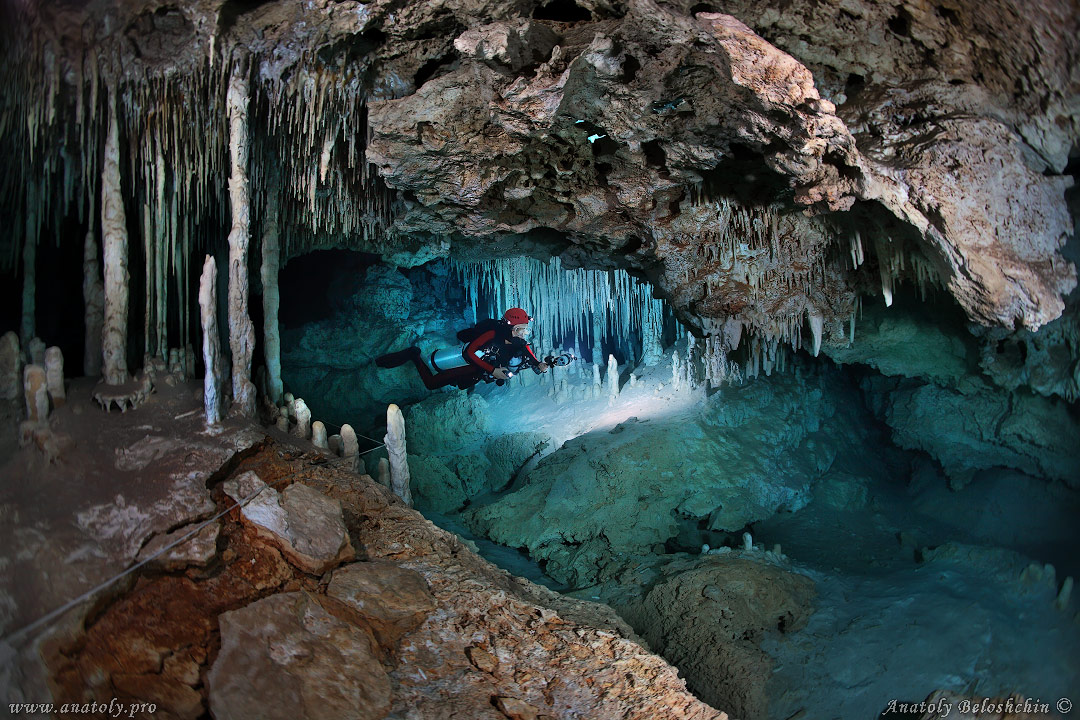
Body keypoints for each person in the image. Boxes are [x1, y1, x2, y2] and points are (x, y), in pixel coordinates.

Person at [375, 308, 550, 391]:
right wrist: (493, 370)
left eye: (525, 329)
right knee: (431, 384)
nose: (524, 333)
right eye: (521, 329)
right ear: (510, 327)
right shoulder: (491, 335)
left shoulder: (519, 341)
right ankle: (413, 355)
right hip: (469, 364)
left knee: (461, 384)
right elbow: (469, 353)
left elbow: (528, 353)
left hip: (479, 371)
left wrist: (539, 364)